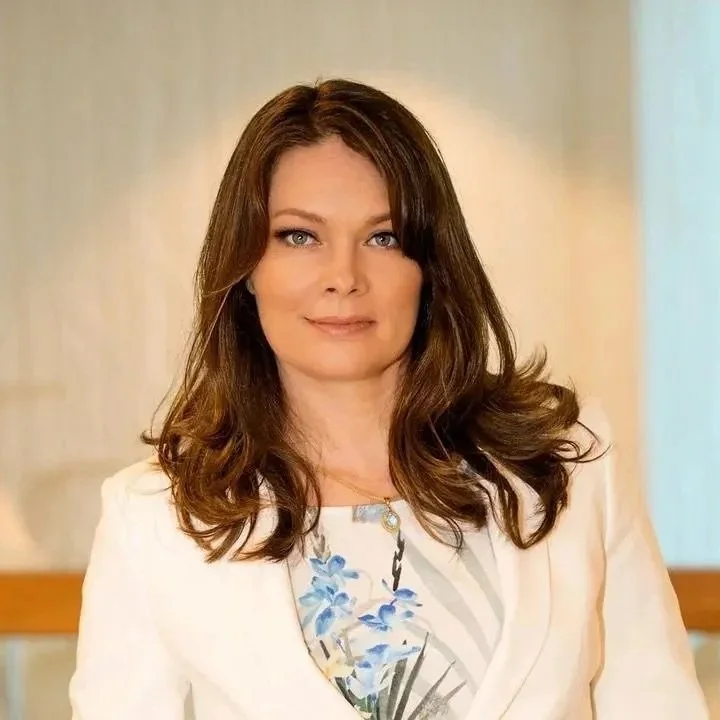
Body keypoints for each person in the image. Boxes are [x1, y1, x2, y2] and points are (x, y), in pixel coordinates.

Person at [69, 78, 707, 720]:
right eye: (299, 236)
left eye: (384, 237)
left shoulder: (569, 461)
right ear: (247, 270)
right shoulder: (151, 519)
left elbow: (659, 706)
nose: (344, 278)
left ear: (429, 266)